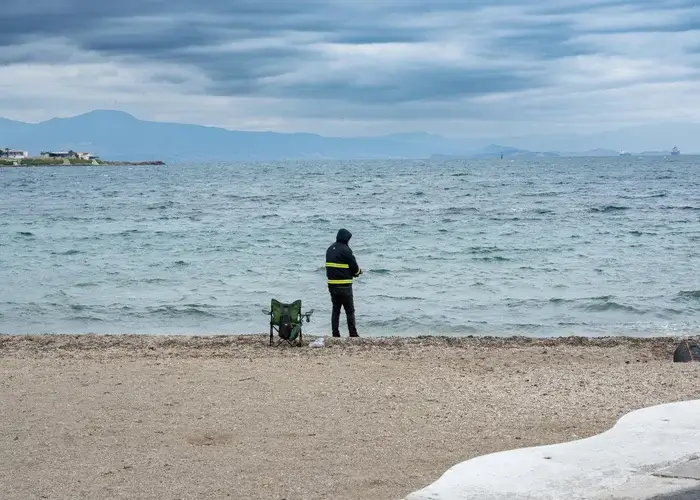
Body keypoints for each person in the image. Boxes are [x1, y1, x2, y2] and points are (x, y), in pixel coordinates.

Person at [325, 228, 362, 337]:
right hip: (345, 286)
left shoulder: (329, 249)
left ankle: (335, 334)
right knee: (349, 310)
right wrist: (359, 272)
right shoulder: (346, 250)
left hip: (332, 285)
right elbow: (355, 268)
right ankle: (353, 334)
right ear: (345, 239)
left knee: (336, 310)